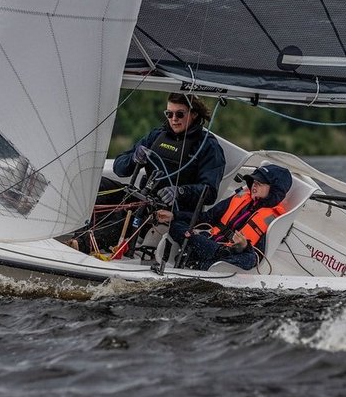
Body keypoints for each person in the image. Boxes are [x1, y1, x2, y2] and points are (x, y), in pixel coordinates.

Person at [156, 164, 293, 270]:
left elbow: (257, 257)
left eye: (259, 183)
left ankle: (204, 259)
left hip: (234, 253)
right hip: (210, 241)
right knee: (176, 225)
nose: (254, 185)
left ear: (274, 190)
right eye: (253, 182)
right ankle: (206, 257)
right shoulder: (240, 197)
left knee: (248, 259)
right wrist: (175, 215)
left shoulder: (274, 219)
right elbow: (207, 217)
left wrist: (244, 246)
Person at [113, 93, 226, 211]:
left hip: (175, 214)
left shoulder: (208, 146)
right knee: (102, 186)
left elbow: (210, 193)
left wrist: (180, 192)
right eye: (169, 114)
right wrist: (133, 158)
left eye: (180, 114)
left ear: (194, 114)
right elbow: (119, 169)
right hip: (144, 201)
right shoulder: (156, 135)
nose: (174, 119)